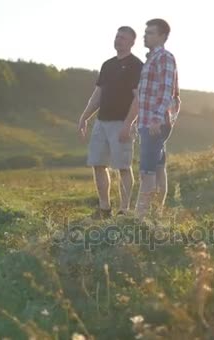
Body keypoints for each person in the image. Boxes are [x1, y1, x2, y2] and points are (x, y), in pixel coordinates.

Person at [77, 26, 143, 219]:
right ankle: (104, 208)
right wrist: (84, 117)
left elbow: (138, 99)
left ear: (132, 42)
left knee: (123, 166)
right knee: (97, 164)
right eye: (117, 36)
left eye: (123, 37)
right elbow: (97, 96)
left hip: (122, 122)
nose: (118, 40)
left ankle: (123, 210)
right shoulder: (107, 65)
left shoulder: (136, 65)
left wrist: (128, 124)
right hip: (101, 122)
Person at [133, 18, 181, 220]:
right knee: (158, 167)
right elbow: (146, 95)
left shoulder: (164, 57)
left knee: (147, 171)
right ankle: (156, 214)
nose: (145, 36)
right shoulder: (151, 59)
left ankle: (141, 218)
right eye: (146, 32)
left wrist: (155, 118)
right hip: (149, 121)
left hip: (155, 122)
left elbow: (167, 91)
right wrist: (139, 119)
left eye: (151, 32)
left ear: (162, 36)